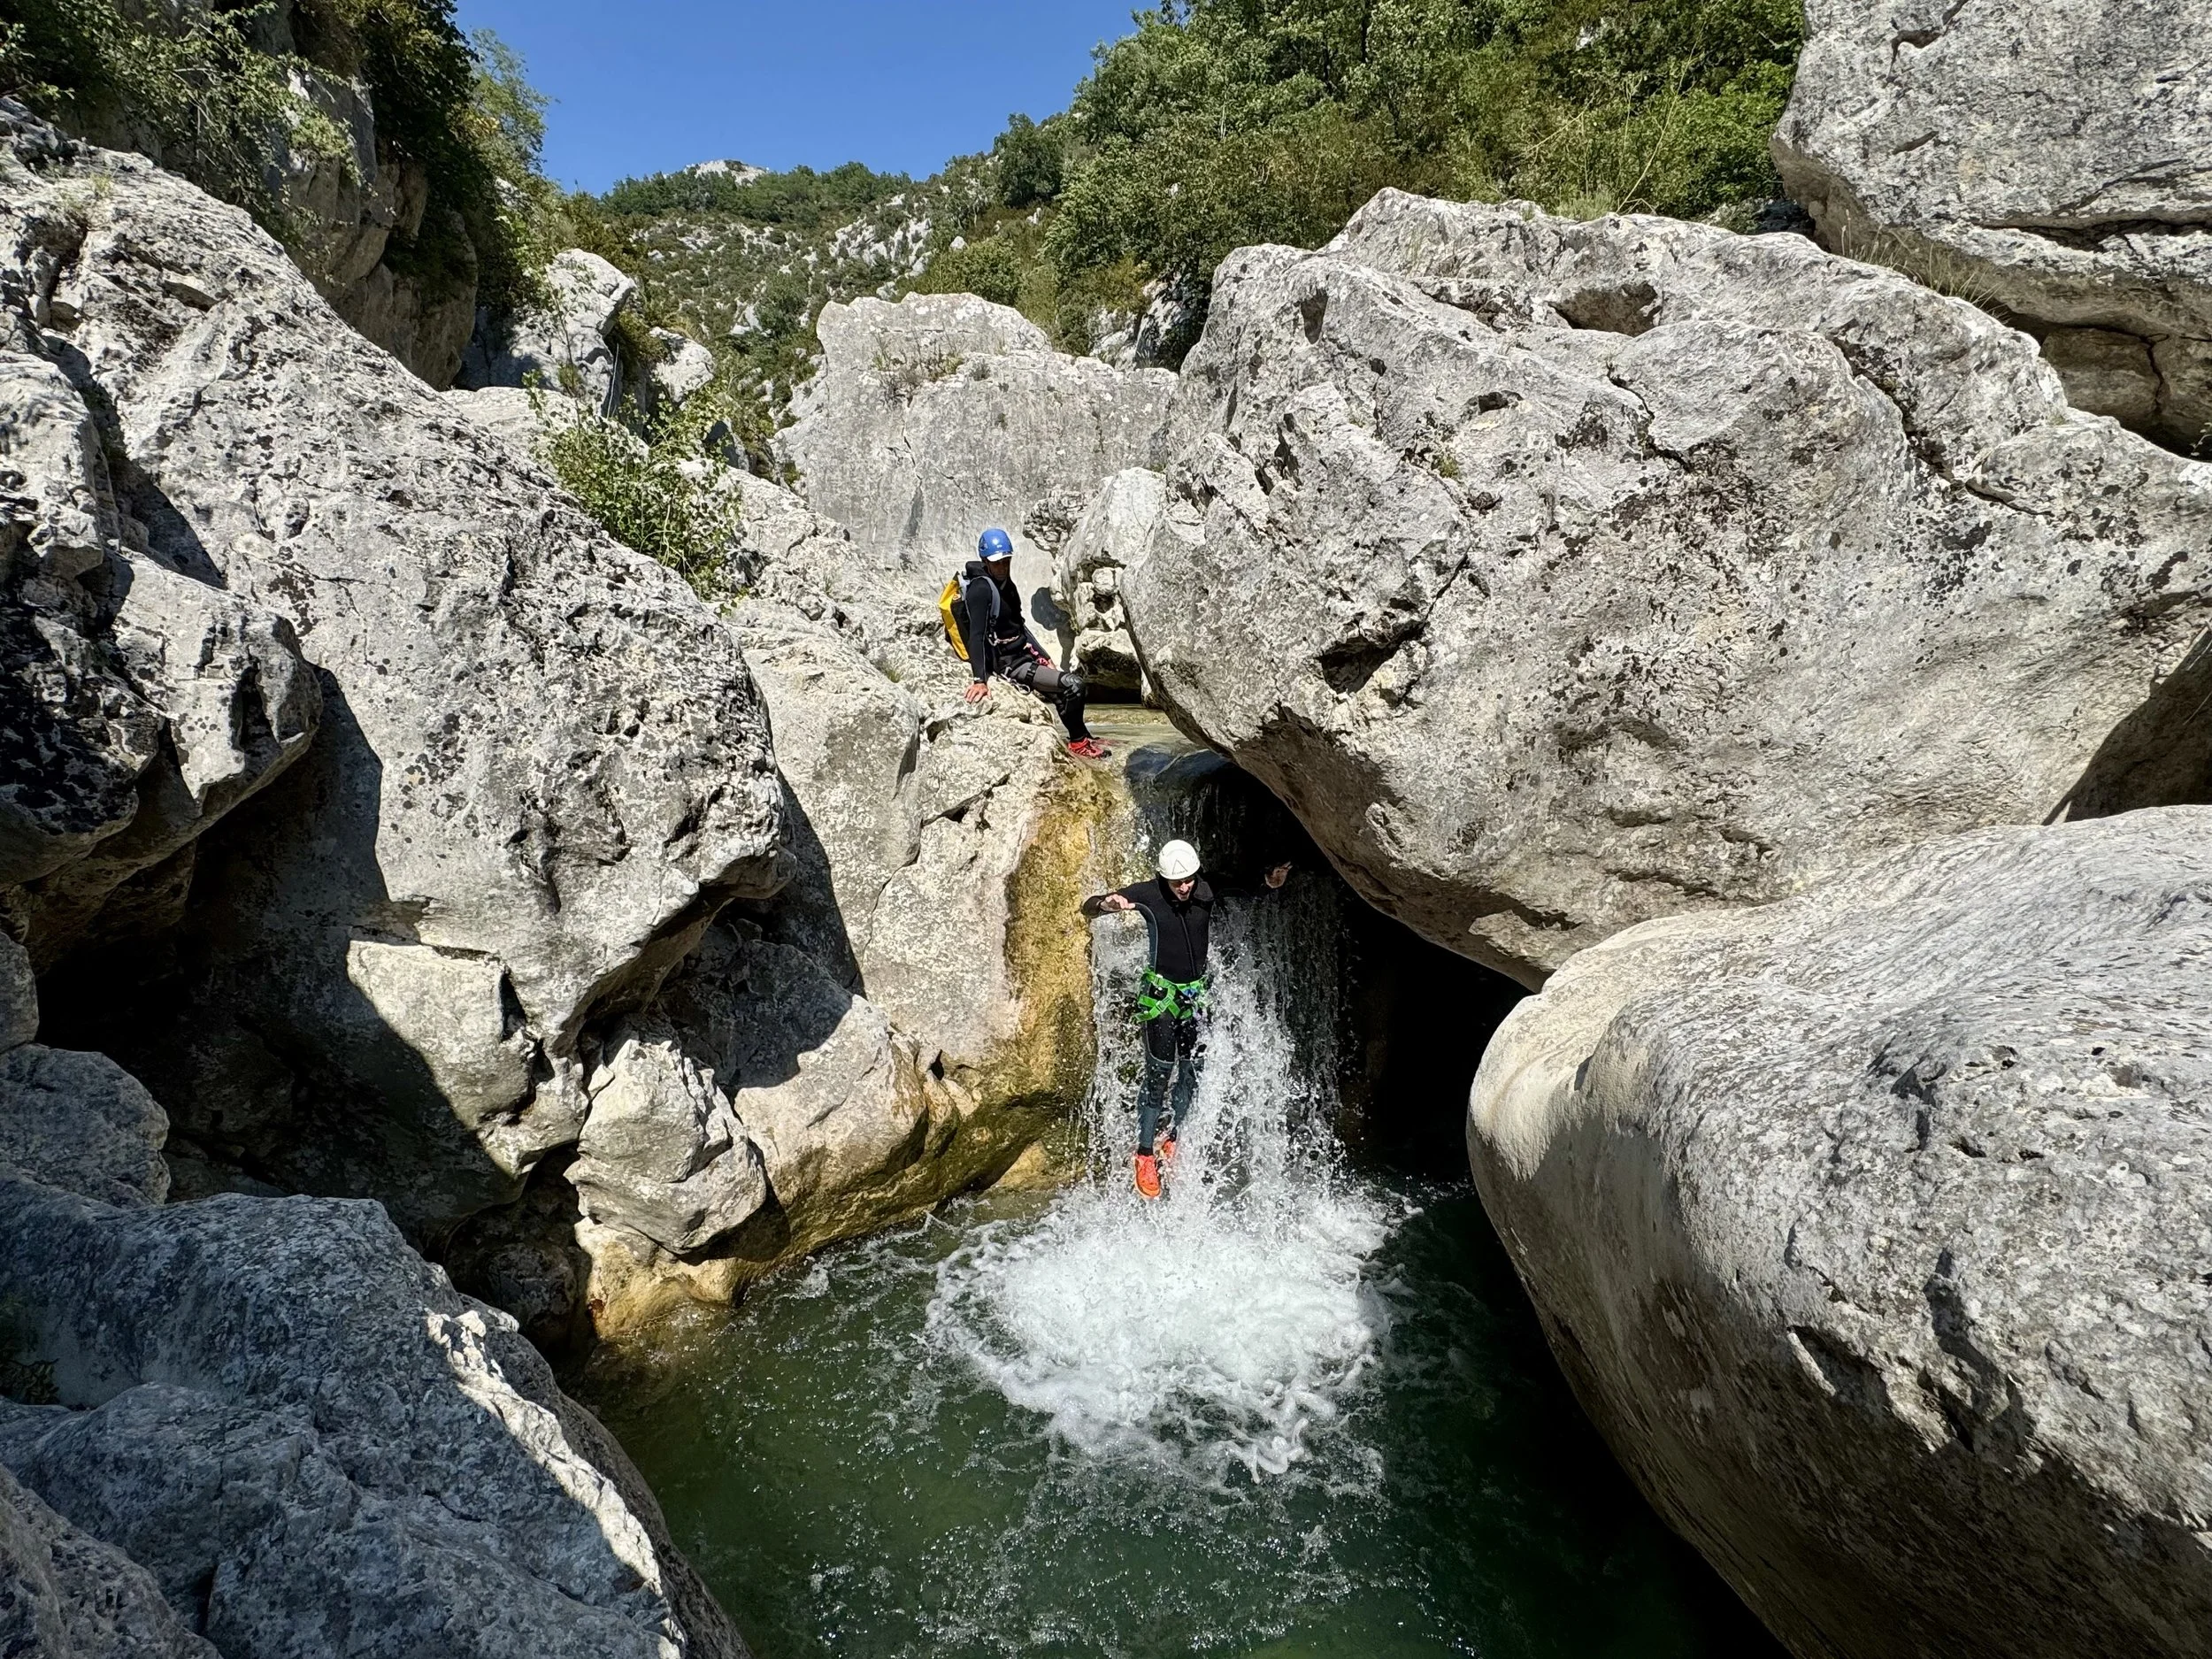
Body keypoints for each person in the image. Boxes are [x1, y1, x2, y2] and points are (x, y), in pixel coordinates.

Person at [1082, 838, 1291, 1198]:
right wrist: (1106, 903)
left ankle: (1173, 1140)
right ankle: (1144, 1153)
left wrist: (1269, 883)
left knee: (1192, 1070)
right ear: (1163, 878)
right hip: (1160, 998)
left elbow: (1248, 887)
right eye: (1177, 882)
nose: (1184, 887)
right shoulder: (1148, 894)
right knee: (1159, 1075)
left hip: (1195, 996)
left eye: (1189, 880)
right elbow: (1089, 907)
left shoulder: (1205, 888)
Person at [958, 527, 1110, 760]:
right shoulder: (980, 590)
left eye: (1006, 561)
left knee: (1061, 694)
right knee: (1074, 685)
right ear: (985, 561)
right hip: (1008, 663)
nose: (1002, 567)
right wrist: (980, 680)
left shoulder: (1007, 586)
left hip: (1021, 654)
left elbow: (1020, 626)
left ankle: (1082, 736)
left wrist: (1043, 655)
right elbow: (976, 636)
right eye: (997, 563)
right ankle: (1078, 743)